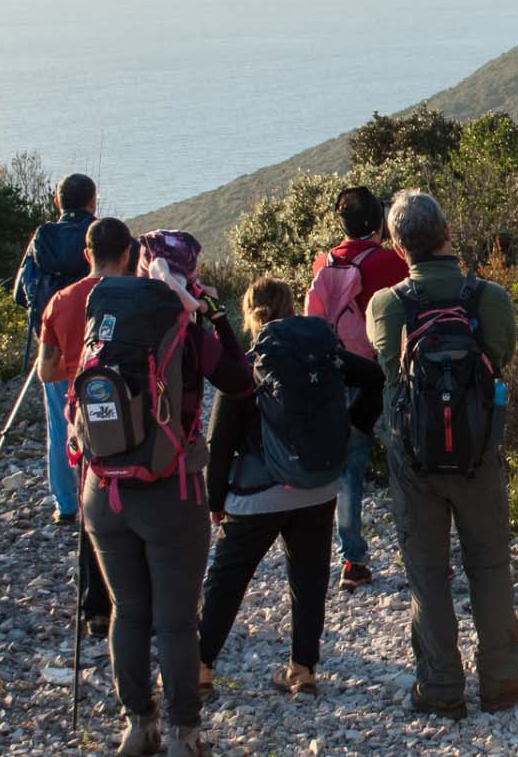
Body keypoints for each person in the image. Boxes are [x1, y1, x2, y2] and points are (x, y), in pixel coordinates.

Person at [369, 189, 518, 718]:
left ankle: (440, 688)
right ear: (447, 233)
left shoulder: (388, 304)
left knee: (427, 571)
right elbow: (501, 355)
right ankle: (501, 677)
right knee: (489, 564)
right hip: (477, 452)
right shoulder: (489, 298)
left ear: (400, 248)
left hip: (414, 458)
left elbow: (386, 368)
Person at [80, 228, 254, 757]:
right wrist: (215, 314)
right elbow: (241, 381)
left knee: (128, 611)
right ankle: (183, 735)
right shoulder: (185, 322)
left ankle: (139, 726)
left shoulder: (102, 311)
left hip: (102, 488)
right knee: (176, 619)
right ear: (190, 272)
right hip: (170, 490)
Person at [197, 278, 384, 698]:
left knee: (228, 579)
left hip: (259, 494)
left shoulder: (251, 363)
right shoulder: (324, 355)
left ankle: (200, 670)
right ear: (292, 307)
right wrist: (355, 426)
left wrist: (214, 499)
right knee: (309, 576)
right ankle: (303, 672)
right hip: (318, 487)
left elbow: (221, 440)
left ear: (249, 314)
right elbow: (374, 376)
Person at [304, 185, 408, 592]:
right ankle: (420, 550)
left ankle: (352, 558)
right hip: (381, 374)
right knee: (406, 462)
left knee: (349, 470)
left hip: (337, 375)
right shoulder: (388, 262)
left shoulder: (323, 261)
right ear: (378, 222)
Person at [35, 216, 129, 633]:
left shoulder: (61, 300)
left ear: (86, 254)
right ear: (127, 254)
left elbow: (45, 371)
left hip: (84, 418)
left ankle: (96, 607)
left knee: (93, 509)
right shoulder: (143, 296)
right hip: (135, 412)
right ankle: (137, 600)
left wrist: (76, 369)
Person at [15, 173, 97, 523]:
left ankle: (65, 504)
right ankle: (101, 492)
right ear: (93, 201)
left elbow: (21, 293)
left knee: (59, 423)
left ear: (56, 201)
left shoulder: (42, 240)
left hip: (55, 347)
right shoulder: (100, 234)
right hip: (99, 343)